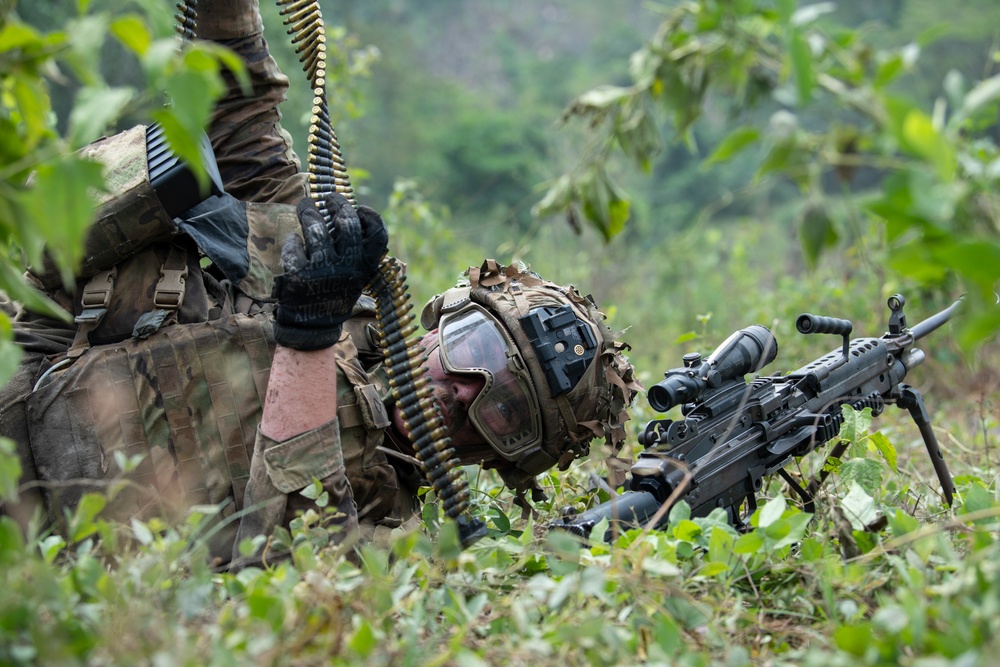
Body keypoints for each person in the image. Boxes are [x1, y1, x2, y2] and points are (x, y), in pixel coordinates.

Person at [0, 0, 640, 566]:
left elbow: (274, 545)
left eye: (501, 411)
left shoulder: (386, 529)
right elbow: (240, 116)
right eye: (477, 354)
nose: (460, 394)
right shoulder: (334, 278)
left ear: (504, 459)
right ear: (448, 319)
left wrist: (306, 337)